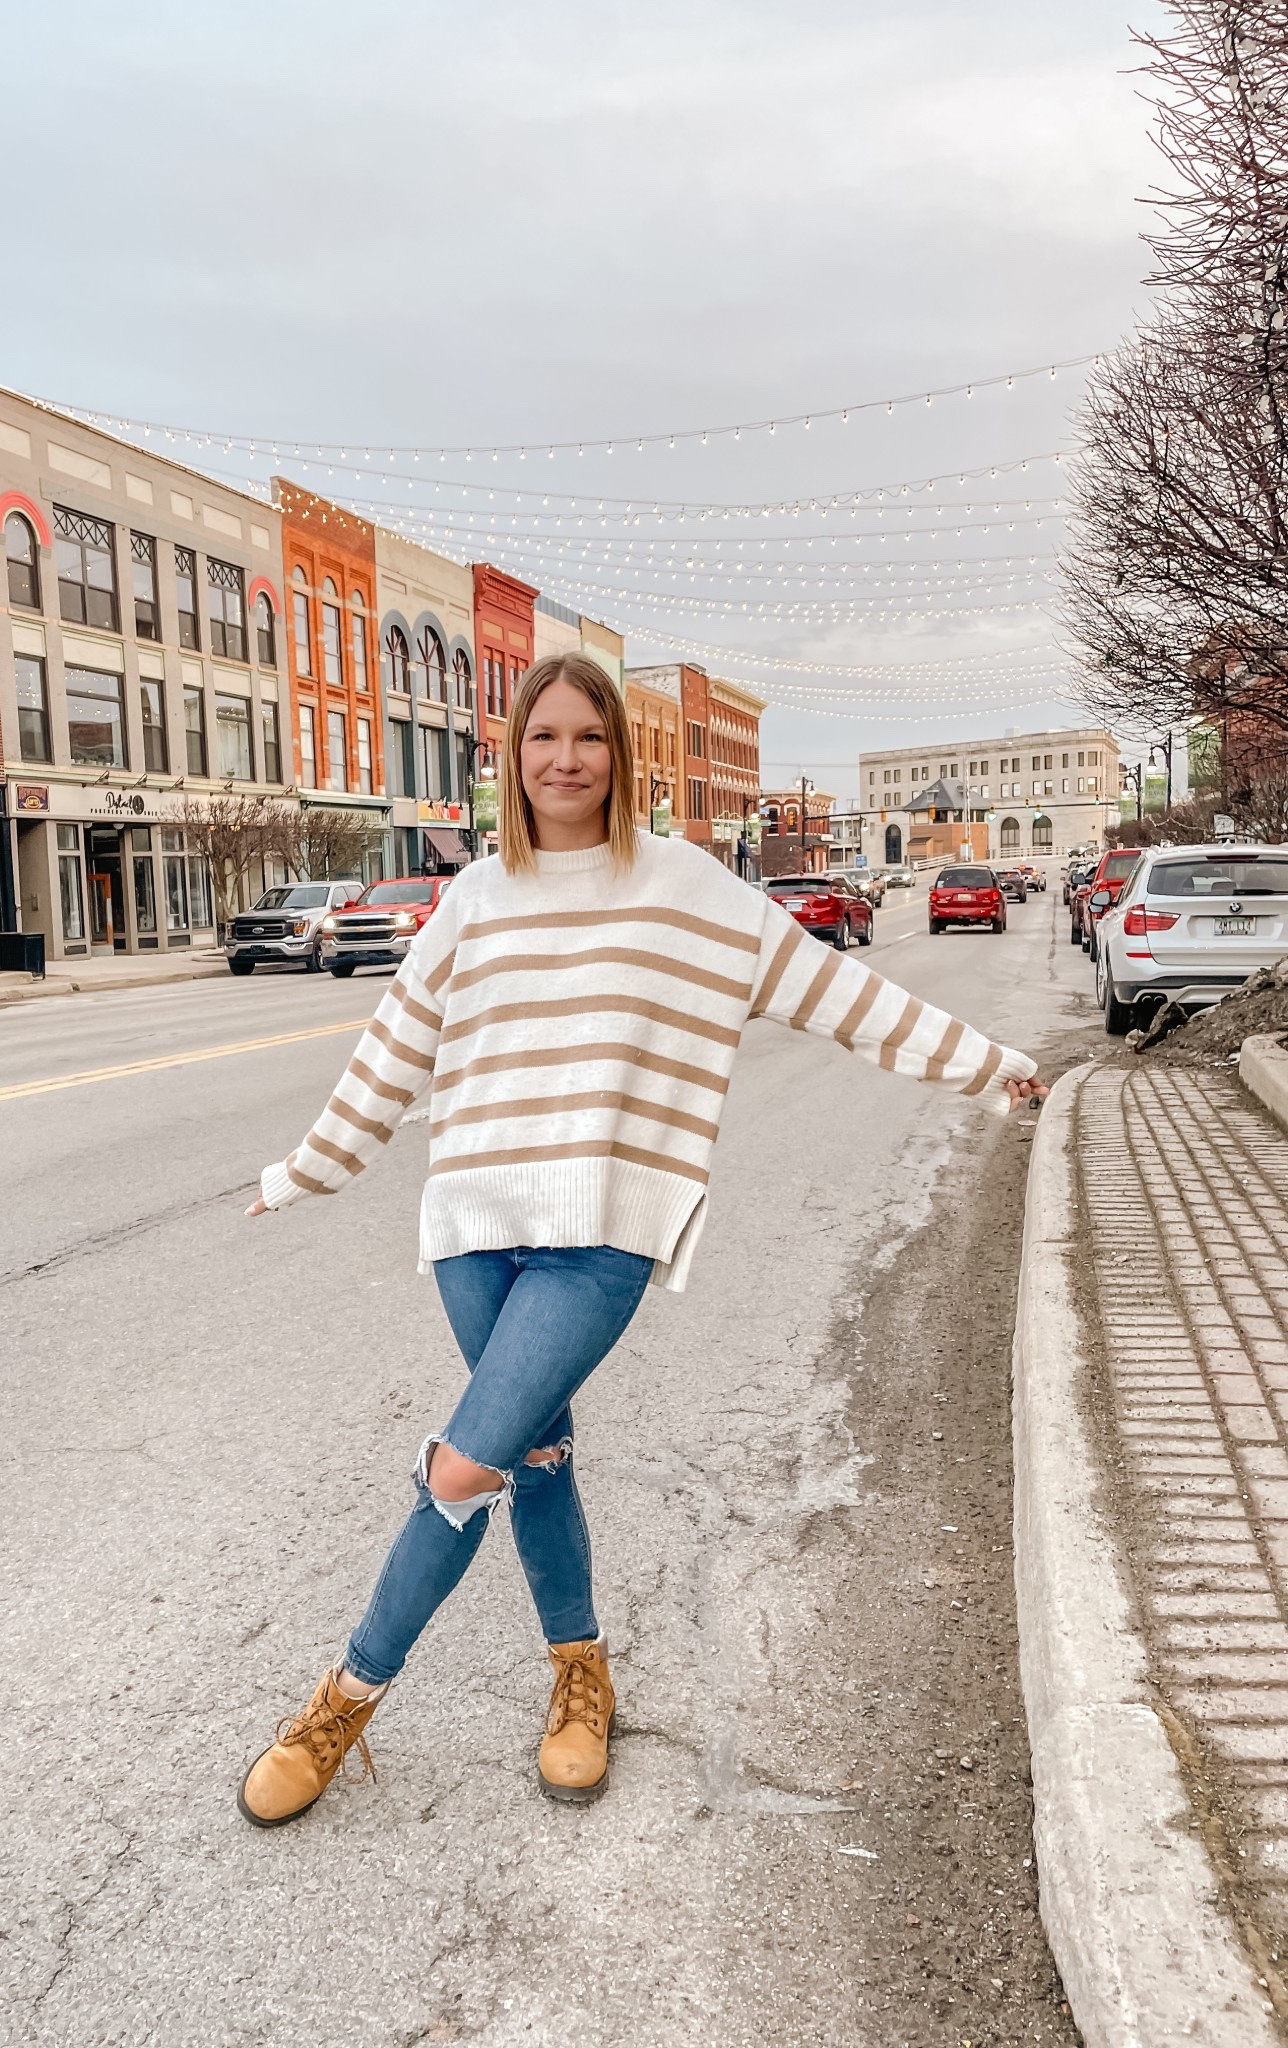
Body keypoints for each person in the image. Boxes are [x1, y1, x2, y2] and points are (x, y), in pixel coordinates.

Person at [237, 652, 1046, 1828]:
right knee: (537, 1456)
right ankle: (583, 1676)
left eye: (590, 737)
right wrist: (302, 1168)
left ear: (621, 754)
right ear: (513, 757)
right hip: (473, 1229)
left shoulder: (684, 886)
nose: (566, 758)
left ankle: (343, 1700)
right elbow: (391, 1059)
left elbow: (837, 993)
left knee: (465, 1465)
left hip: (597, 1240)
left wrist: (990, 1065)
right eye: (543, 737)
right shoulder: (472, 898)